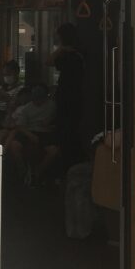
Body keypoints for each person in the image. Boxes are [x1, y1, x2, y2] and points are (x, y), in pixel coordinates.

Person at [5, 84, 59, 186]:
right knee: (14, 145)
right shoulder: (27, 108)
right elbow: (20, 126)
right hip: (29, 131)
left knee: (54, 151)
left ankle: (37, 171)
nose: (37, 100)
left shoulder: (52, 105)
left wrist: (50, 124)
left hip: (45, 132)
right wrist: (31, 135)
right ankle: (22, 170)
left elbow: (54, 120)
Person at [51, 23, 86, 168]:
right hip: (77, 97)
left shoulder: (69, 55)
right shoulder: (80, 54)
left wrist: (61, 49)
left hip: (67, 97)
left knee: (66, 131)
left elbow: (48, 61)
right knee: (72, 129)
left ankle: (66, 163)